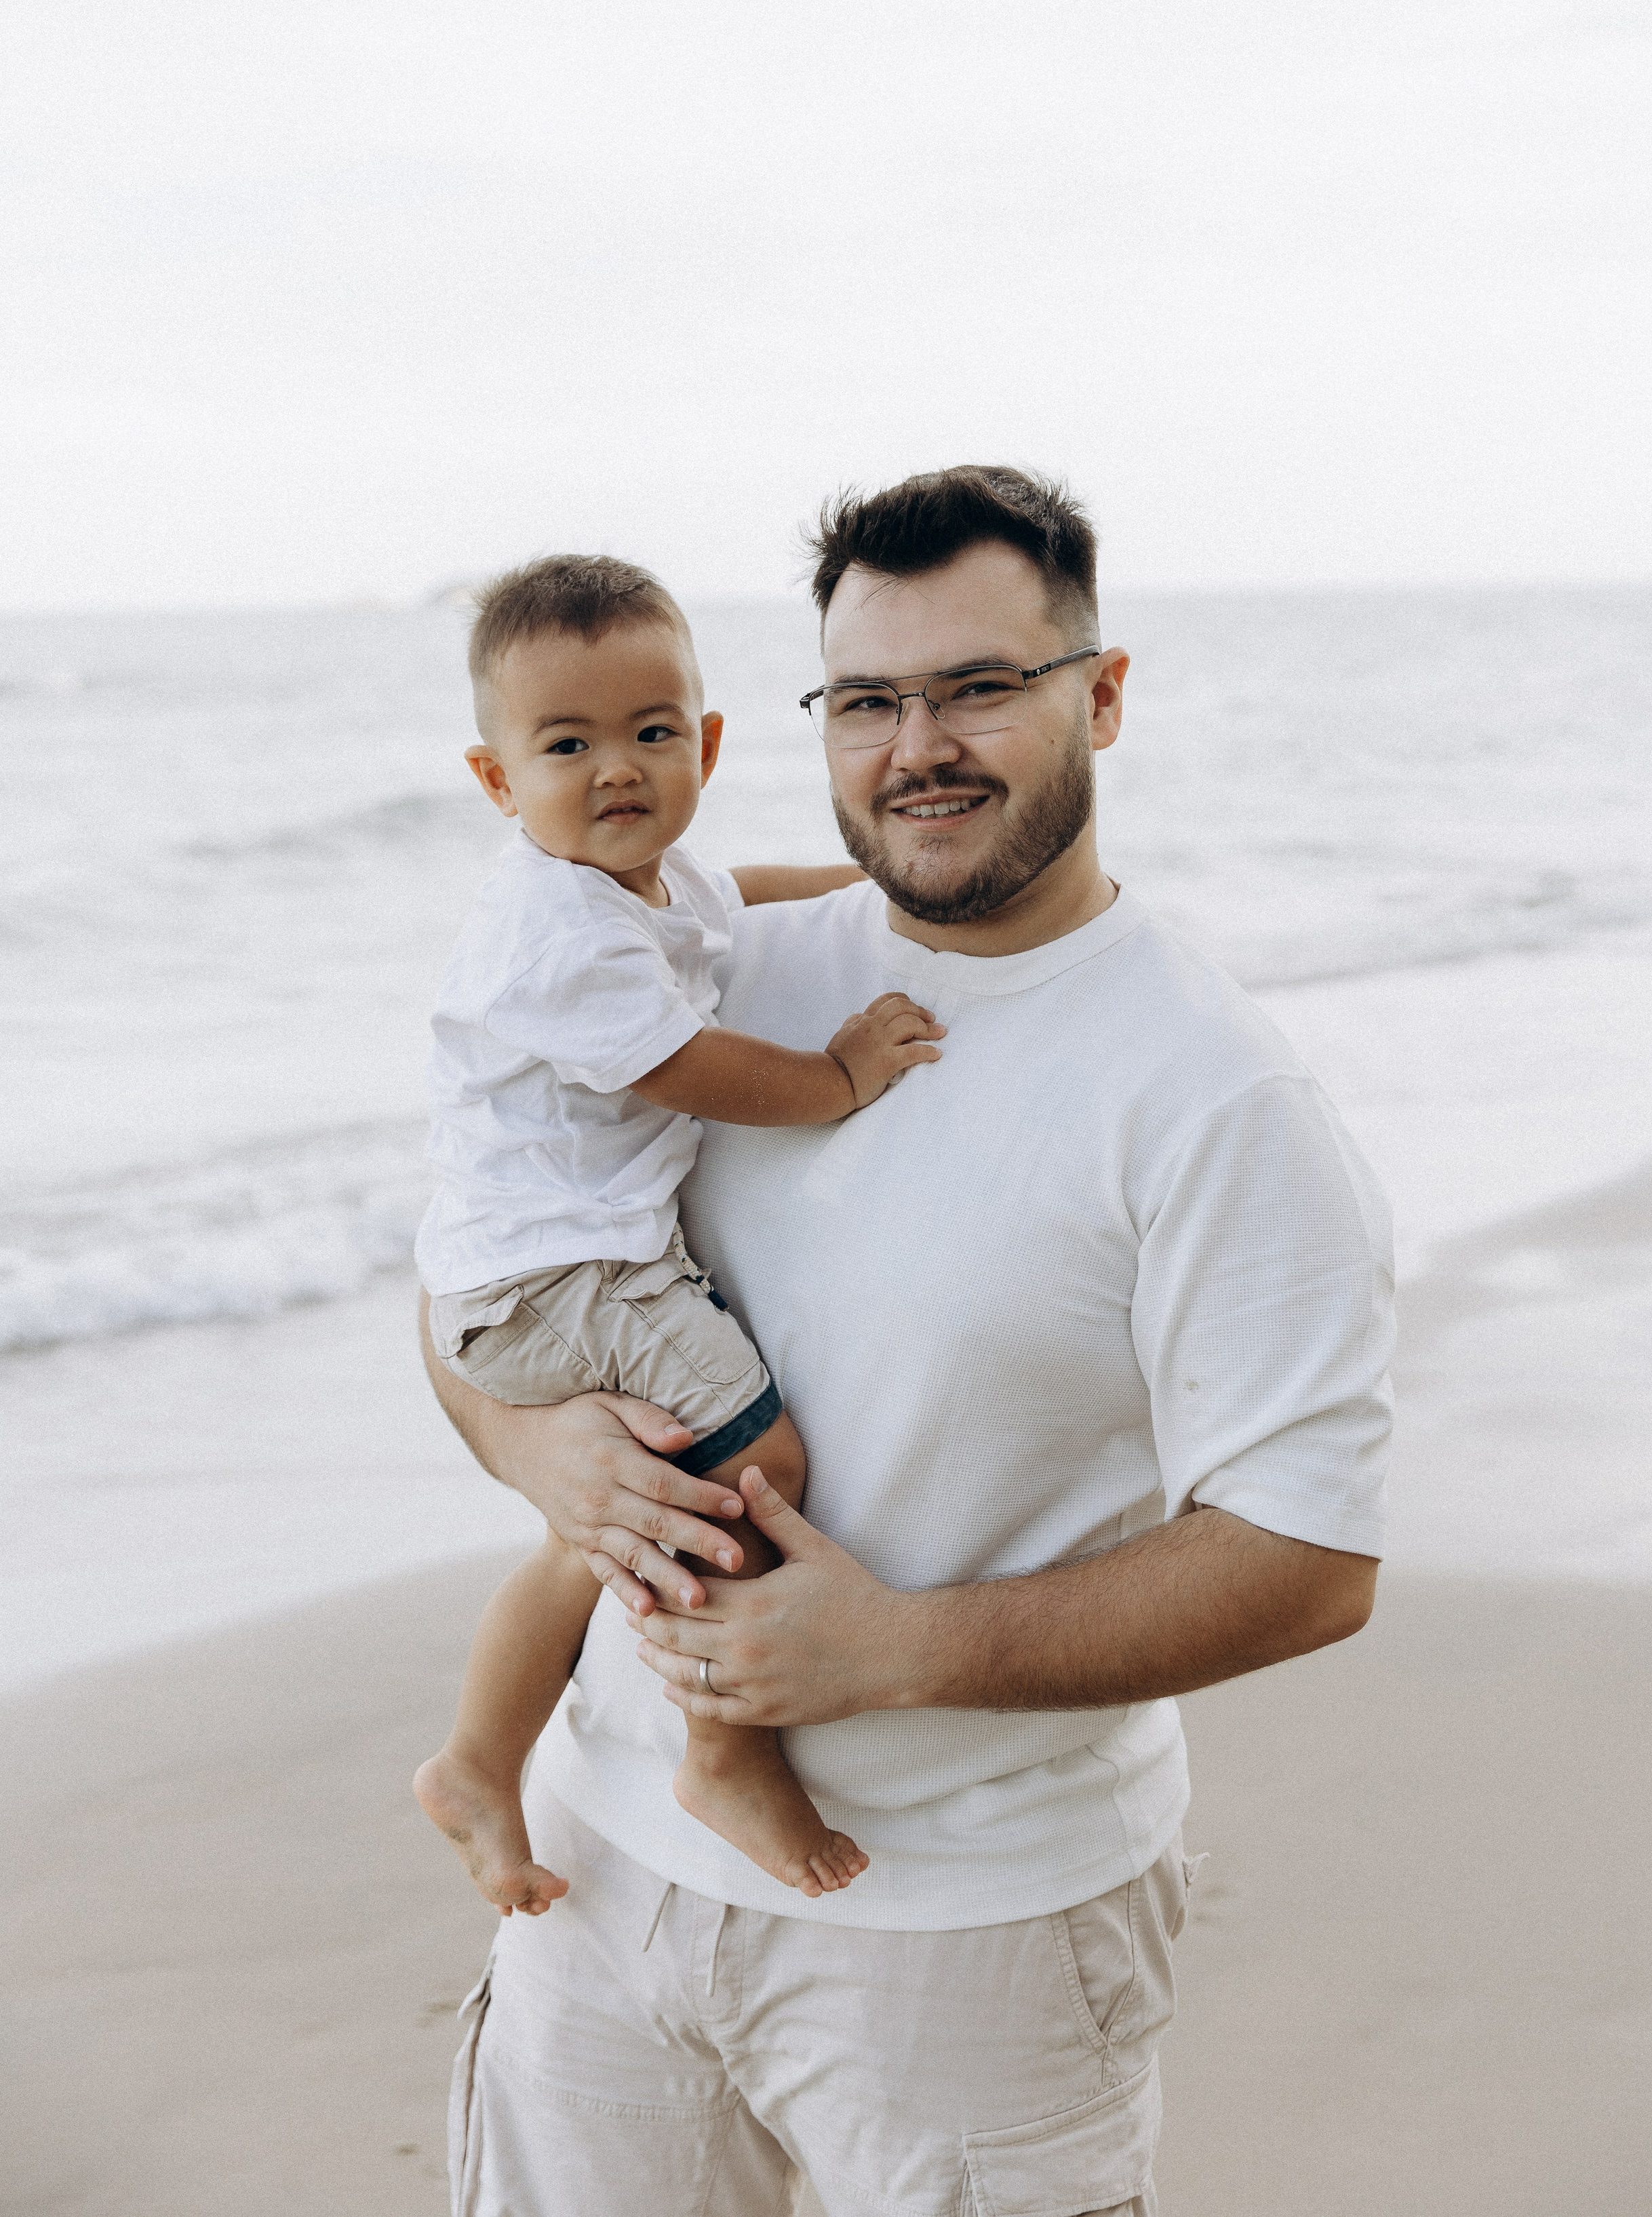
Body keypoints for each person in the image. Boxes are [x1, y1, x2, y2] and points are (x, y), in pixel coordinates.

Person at [421, 467, 1394, 2217]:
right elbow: (476, 1273)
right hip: (594, 1872)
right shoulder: (720, 960)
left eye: (980, 687)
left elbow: (1311, 1560)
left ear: (1100, 693)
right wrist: (535, 1450)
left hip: (970, 1934)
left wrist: (897, 1646)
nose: (918, 744)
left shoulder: (1219, 1096)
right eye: (870, 699)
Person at [412, 553, 945, 1912]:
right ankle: (724, 1744)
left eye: (652, 733)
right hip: (552, 1281)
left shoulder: (650, 878)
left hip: (537, 1266)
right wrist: (837, 1075)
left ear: (704, 743)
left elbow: (731, 896)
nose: (615, 770)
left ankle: (478, 1760)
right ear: (495, 781)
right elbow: (691, 1067)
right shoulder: (559, 938)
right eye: (566, 743)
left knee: (613, 1527)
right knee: (748, 1457)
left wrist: (862, 877)